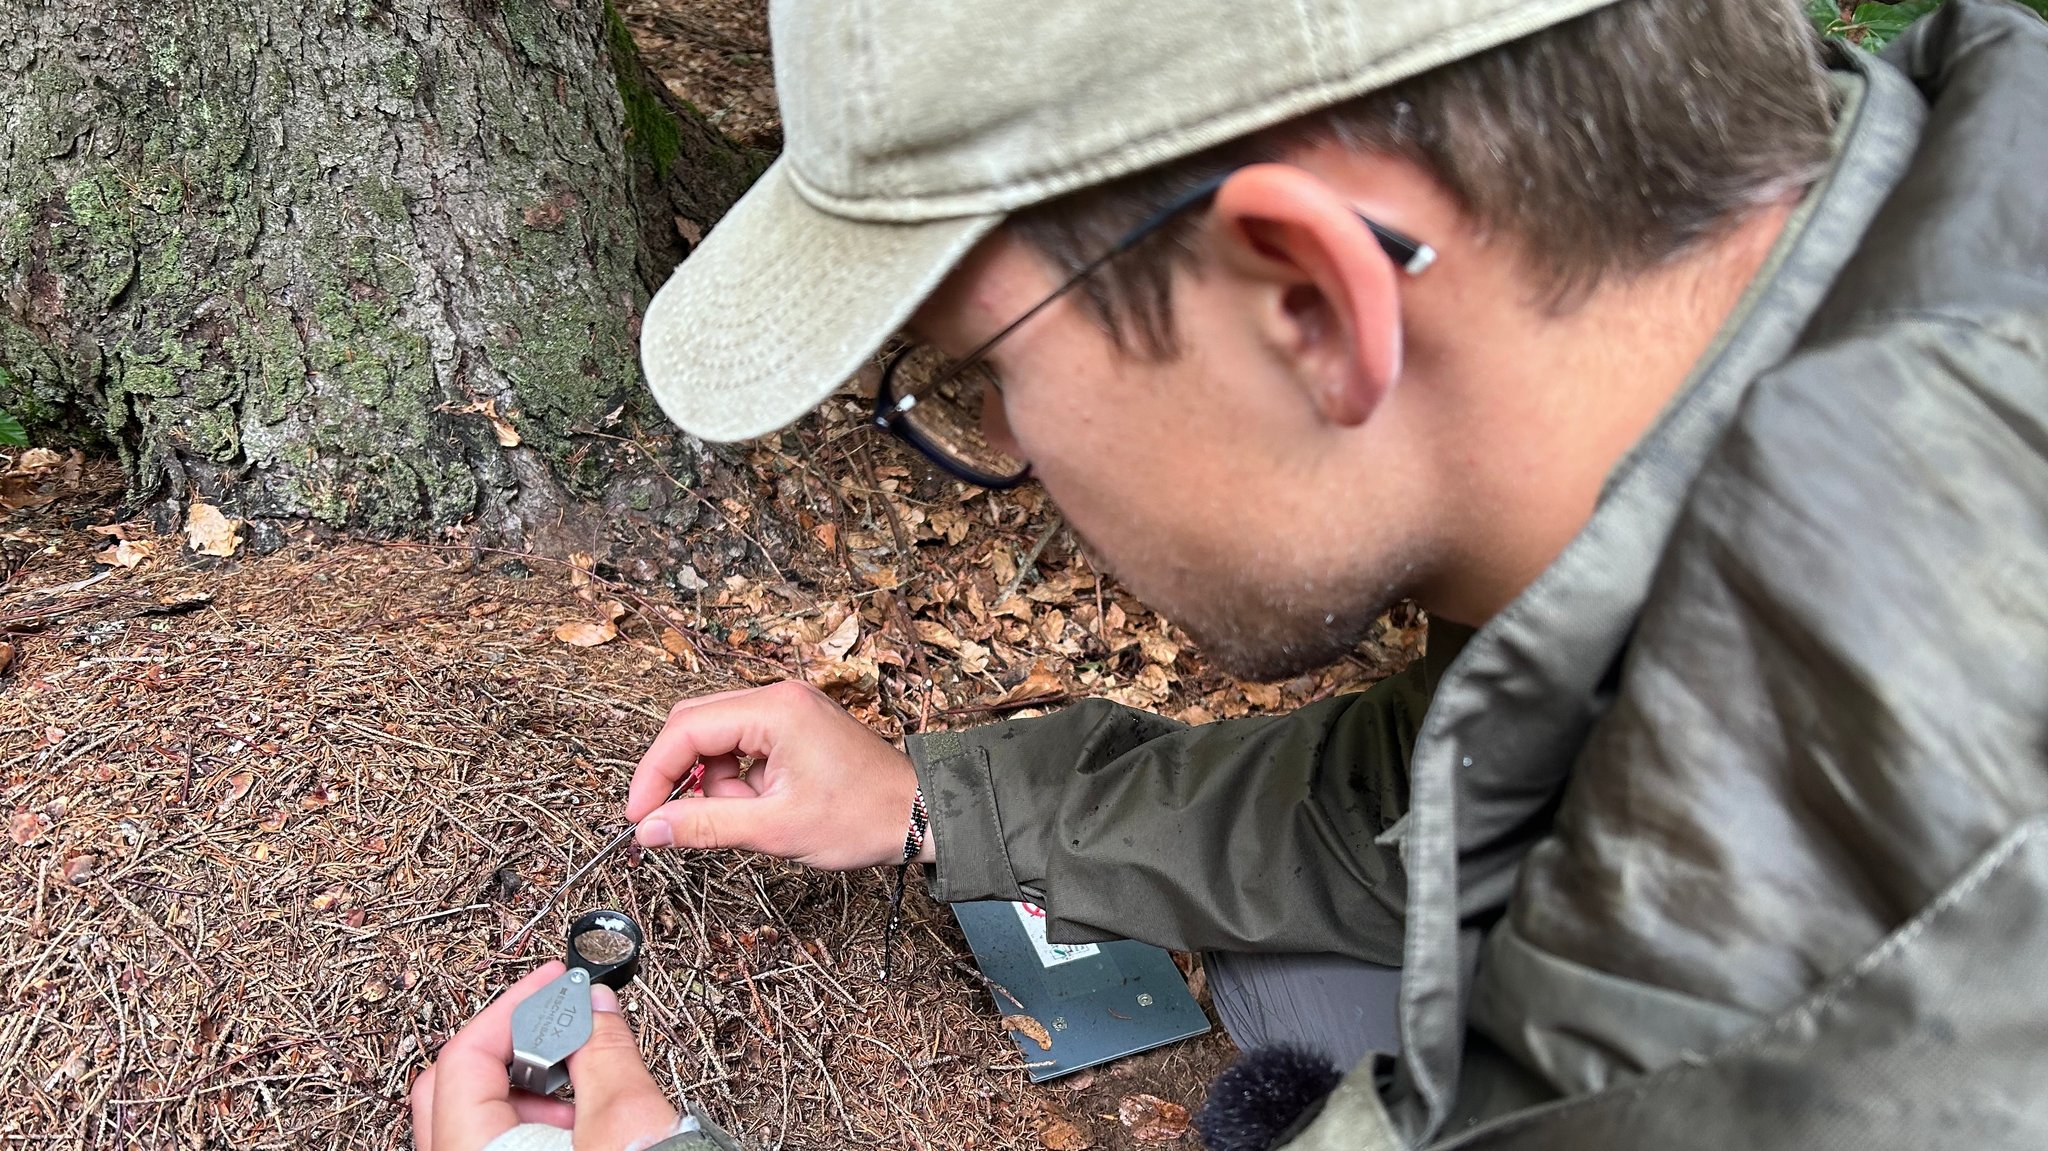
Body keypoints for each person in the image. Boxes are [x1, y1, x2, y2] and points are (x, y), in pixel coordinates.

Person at [416, 0, 2048, 1146]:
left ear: (1312, 305)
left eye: (977, 371)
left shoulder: (1763, 992)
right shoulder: (1906, 303)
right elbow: (1445, 780)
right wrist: (946, 806)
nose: (1013, 454)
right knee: (1297, 975)